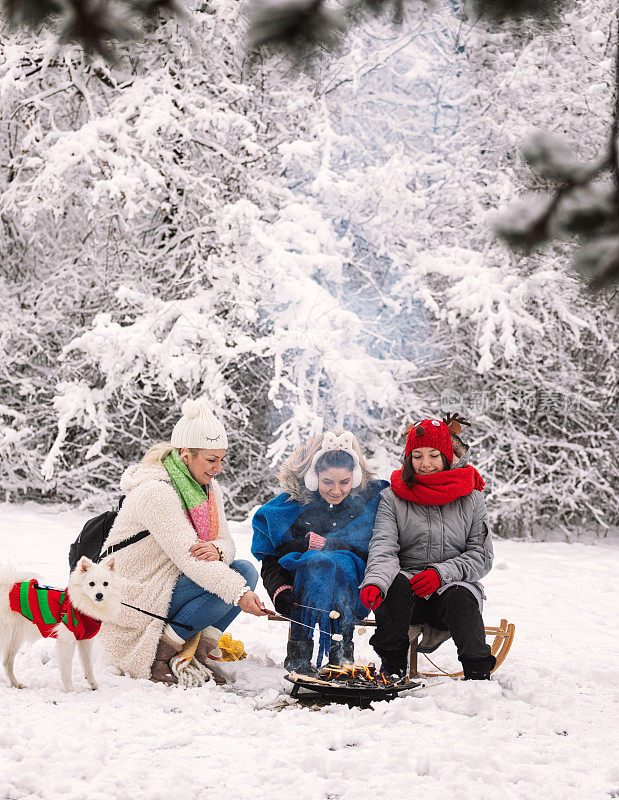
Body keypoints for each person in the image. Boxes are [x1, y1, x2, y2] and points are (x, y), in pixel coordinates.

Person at [100, 397, 268, 685]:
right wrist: (239, 594)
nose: (218, 469)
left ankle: (198, 654)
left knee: (246, 571)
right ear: (186, 454)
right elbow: (189, 558)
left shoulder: (207, 489)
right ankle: (160, 655)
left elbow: (226, 542)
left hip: (171, 582)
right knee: (234, 583)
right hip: (138, 592)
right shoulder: (156, 492)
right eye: (211, 460)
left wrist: (216, 549)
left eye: (221, 460)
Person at [359, 415, 496, 681]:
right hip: (408, 591)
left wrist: (440, 574)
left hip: (451, 588)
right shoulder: (392, 497)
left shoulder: (472, 498)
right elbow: (383, 548)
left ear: (446, 456)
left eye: (434, 455)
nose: (425, 464)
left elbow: (481, 555)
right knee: (394, 585)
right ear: (408, 458)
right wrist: (375, 582)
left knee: (460, 596)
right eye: (417, 455)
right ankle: (392, 669)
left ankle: (478, 672)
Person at [251, 431, 388, 673]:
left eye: (344, 482)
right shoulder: (291, 509)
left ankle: (341, 649)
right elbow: (272, 558)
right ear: (314, 478)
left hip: (350, 589)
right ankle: (299, 649)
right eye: (327, 482)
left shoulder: (365, 508)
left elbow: (374, 552)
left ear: (354, 479)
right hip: (302, 590)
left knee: (336, 563)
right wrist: (279, 589)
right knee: (317, 563)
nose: (336, 490)